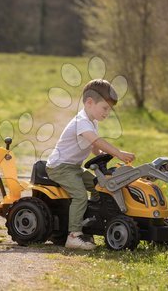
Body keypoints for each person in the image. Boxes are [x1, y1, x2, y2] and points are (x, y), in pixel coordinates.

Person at [46, 79, 135, 250]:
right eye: (105, 108)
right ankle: (73, 236)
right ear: (89, 102)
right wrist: (118, 153)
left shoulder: (91, 121)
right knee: (80, 195)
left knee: (99, 188)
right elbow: (97, 141)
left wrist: (102, 157)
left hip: (74, 168)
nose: (107, 113)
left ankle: (88, 223)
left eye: (109, 109)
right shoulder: (82, 121)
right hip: (59, 167)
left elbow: (94, 147)